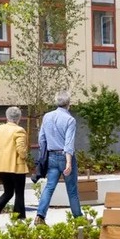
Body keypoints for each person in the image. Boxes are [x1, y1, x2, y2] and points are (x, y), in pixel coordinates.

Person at [34, 91, 83, 226]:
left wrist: (43, 155)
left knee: (49, 187)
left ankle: (40, 216)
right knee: (72, 189)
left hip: (51, 156)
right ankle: (78, 218)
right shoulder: (70, 120)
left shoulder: (47, 117)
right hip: (64, 155)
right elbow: (69, 143)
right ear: (69, 104)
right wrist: (68, 162)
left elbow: (41, 139)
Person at [0, 106, 29, 224]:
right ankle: (18, 218)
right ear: (19, 118)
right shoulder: (19, 130)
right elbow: (21, 149)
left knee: (8, 192)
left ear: (7, 117)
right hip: (16, 167)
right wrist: (25, 156)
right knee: (19, 193)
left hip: (1, 166)